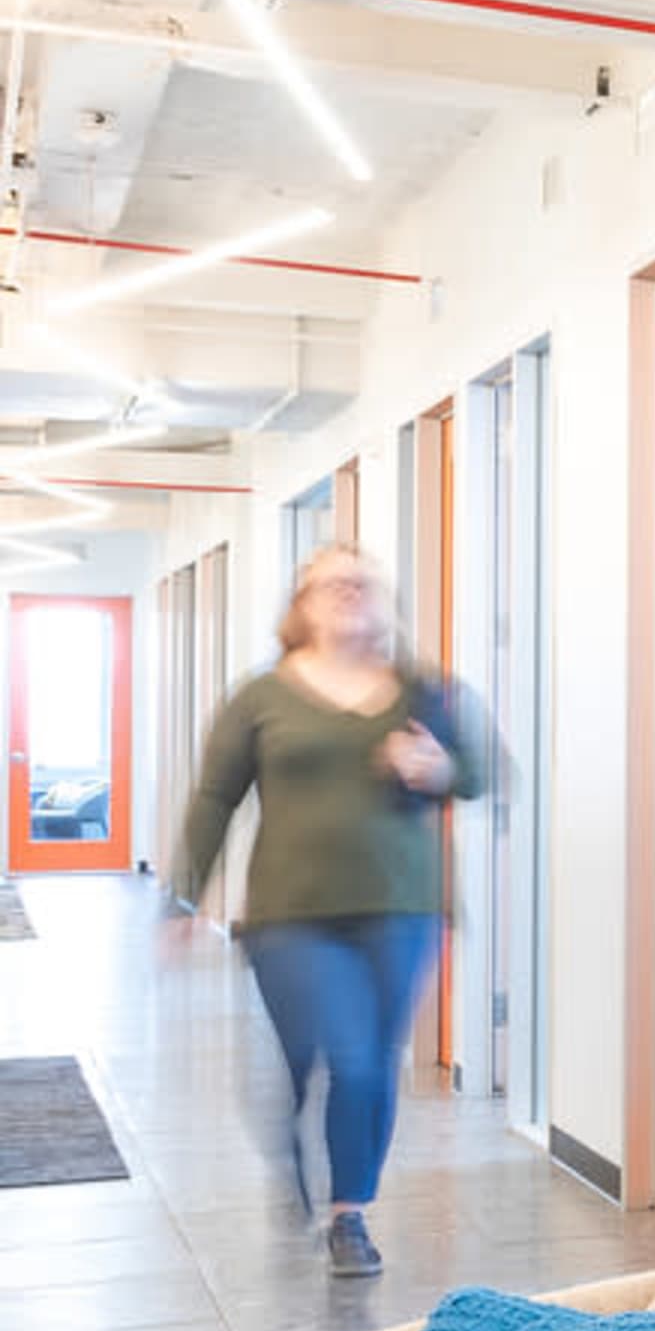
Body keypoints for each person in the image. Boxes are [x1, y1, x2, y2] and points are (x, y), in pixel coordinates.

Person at [170, 545, 490, 1278]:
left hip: (402, 906)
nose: (348, 590)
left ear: (383, 601)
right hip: (291, 915)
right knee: (326, 1053)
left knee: (367, 1061)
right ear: (302, 605)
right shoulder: (261, 697)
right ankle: (291, 1133)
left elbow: (477, 770)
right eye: (330, 582)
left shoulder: (423, 689)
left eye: (362, 581)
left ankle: (350, 1215)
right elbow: (216, 797)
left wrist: (438, 769)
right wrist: (183, 893)